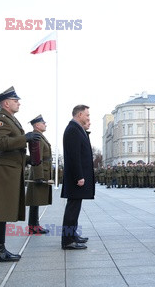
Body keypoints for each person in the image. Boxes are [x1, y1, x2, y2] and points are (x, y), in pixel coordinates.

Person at [0, 86, 41, 262]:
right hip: (4, 172)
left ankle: (0, 249)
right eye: (15, 100)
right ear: (6, 103)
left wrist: (29, 159)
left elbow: (14, 148)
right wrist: (25, 138)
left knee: (3, 211)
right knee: (0, 212)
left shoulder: (12, 120)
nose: (18, 103)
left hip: (10, 170)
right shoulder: (1, 121)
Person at [61, 105, 95, 250]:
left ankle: (72, 234)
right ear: (80, 114)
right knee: (72, 209)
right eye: (87, 115)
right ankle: (67, 240)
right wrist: (79, 176)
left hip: (78, 177)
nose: (88, 118)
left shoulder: (77, 128)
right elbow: (74, 156)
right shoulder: (73, 130)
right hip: (76, 178)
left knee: (75, 208)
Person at [26, 115, 52, 235]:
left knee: (35, 201)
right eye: (43, 122)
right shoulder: (36, 137)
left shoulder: (40, 136)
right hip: (39, 172)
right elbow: (37, 157)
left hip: (42, 171)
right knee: (35, 200)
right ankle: (33, 226)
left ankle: (34, 225)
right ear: (37, 125)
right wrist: (38, 176)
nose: (45, 124)